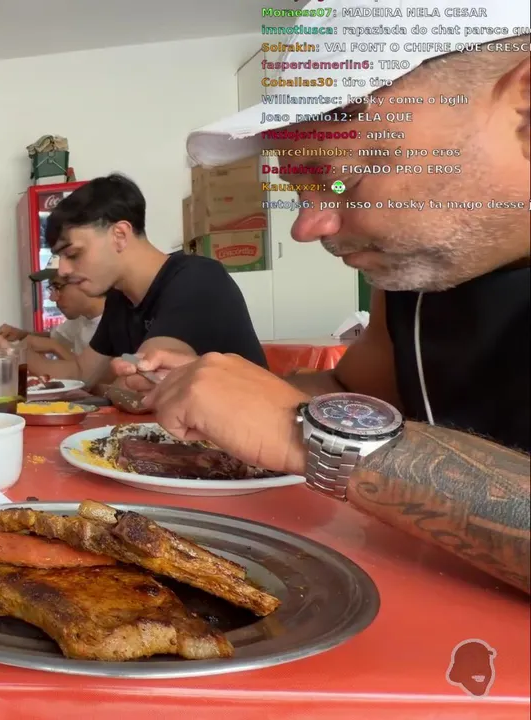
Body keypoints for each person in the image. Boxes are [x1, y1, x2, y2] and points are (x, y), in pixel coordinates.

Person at [116, 1, 530, 595]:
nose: (308, 226)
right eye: (300, 190)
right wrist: (209, 385)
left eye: (341, 178)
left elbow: (317, 422)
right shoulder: (414, 282)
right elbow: (346, 390)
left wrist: (308, 435)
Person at [0, 174, 266, 392]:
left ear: (119, 235)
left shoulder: (195, 279)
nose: (64, 271)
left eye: (73, 254)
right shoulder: (120, 299)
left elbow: (145, 374)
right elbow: (82, 372)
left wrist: (126, 365)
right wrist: (11, 353)